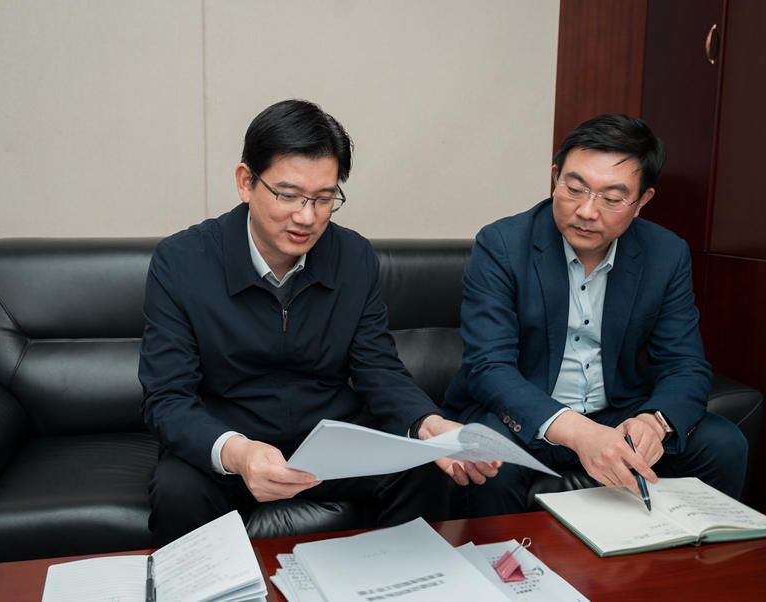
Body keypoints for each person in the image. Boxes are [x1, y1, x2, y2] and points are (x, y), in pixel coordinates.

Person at [139, 99, 497, 545]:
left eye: (324, 198)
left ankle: (399, 579)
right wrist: (238, 452)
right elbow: (167, 397)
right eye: (288, 195)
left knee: (423, 469)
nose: (307, 217)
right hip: (232, 441)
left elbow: (379, 369)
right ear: (246, 182)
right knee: (177, 493)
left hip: (328, 444)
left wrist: (429, 424)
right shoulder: (182, 261)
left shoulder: (353, 256)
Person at [443, 114, 747, 516]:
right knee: (490, 463)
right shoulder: (502, 244)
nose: (586, 211)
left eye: (612, 198)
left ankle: (687, 555)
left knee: (724, 445)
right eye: (574, 189)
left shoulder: (665, 254)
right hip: (523, 412)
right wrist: (580, 432)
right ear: (555, 177)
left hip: (618, 415)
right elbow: (489, 367)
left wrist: (654, 422)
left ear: (642, 202)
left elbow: (684, 365)